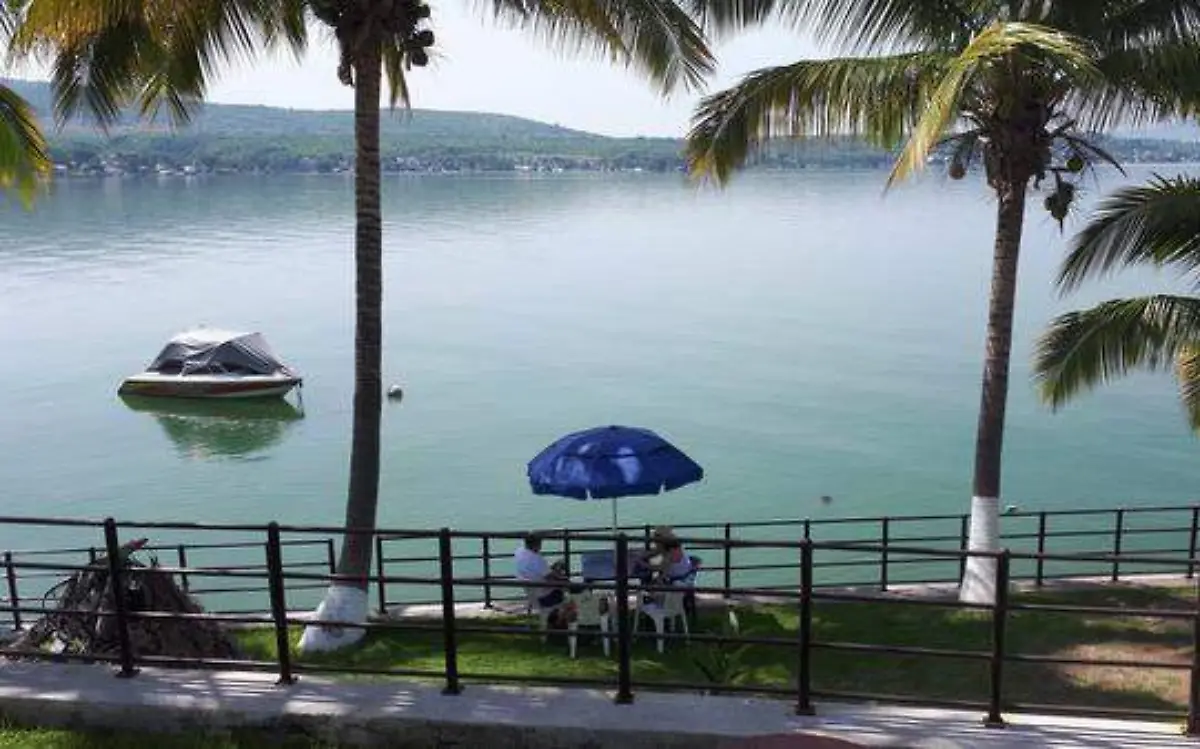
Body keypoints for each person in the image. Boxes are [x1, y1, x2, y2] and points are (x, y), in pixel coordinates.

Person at [514, 532, 568, 611]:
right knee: (567, 584)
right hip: (543, 597)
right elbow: (550, 578)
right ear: (537, 544)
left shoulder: (519, 552)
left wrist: (554, 569)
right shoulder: (537, 559)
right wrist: (562, 578)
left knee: (558, 571)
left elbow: (537, 571)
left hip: (530, 591)